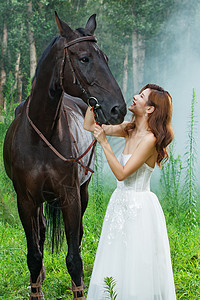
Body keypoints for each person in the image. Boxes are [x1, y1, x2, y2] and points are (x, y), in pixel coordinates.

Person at [84, 84, 176, 300]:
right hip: (120, 203)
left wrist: (104, 143)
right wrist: (92, 101)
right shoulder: (129, 128)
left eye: (141, 96)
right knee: (116, 256)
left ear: (150, 109)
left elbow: (122, 174)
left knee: (136, 262)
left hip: (139, 207)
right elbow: (90, 126)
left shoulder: (151, 140)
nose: (135, 96)